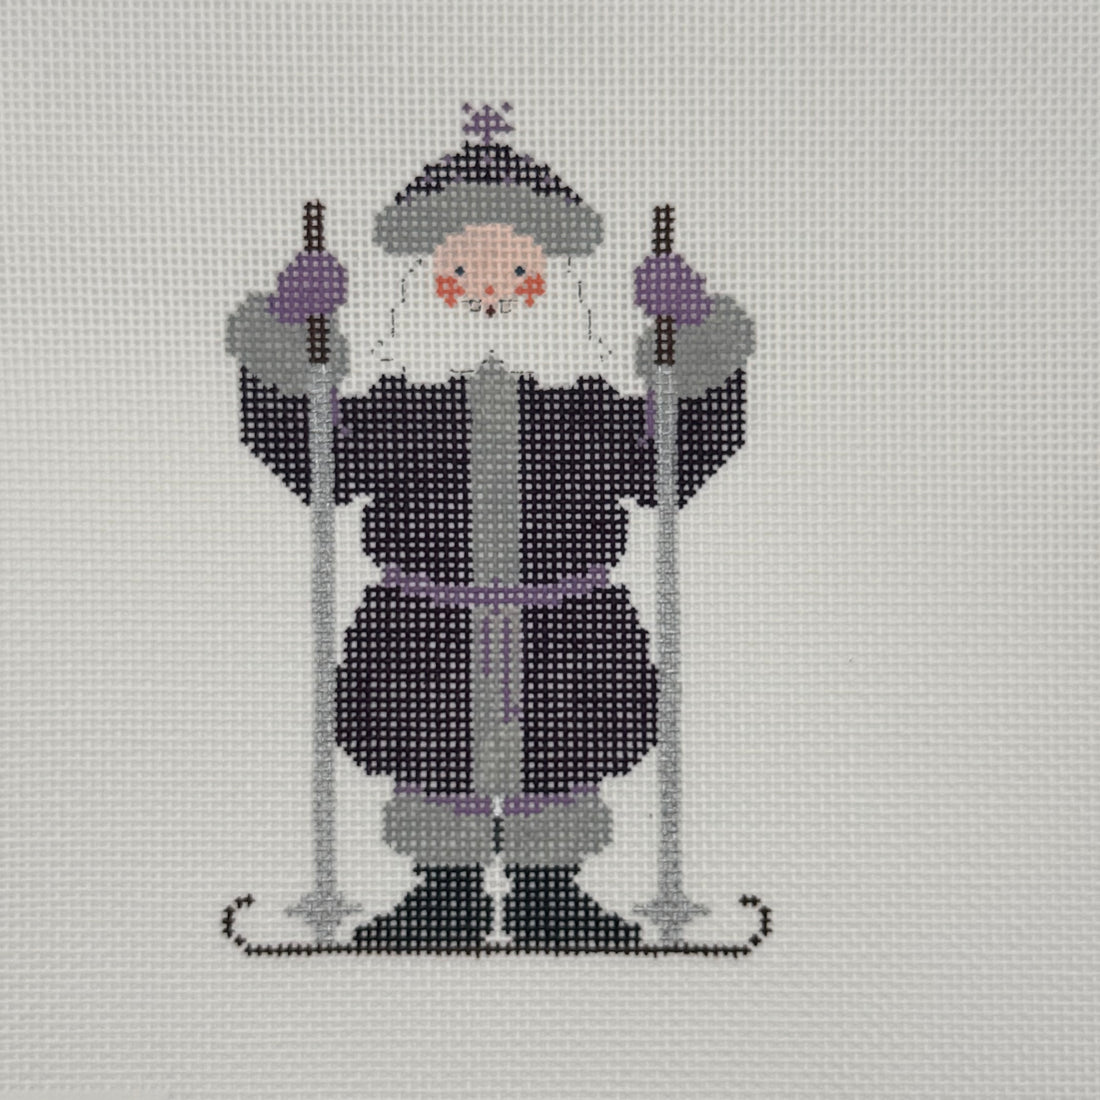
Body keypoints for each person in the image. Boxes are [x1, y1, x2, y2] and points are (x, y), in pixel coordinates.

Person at [225, 105, 755, 950]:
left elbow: (670, 466)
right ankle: (446, 893)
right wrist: (289, 345)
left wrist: (694, 345)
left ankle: (551, 892)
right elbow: (319, 465)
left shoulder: (584, 410)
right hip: (426, 618)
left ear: (550, 278)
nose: (489, 290)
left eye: (515, 268)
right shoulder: (403, 409)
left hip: (565, 618)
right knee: (430, 747)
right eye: (460, 269)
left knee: (565, 747)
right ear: (427, 278)